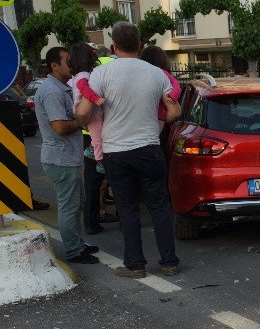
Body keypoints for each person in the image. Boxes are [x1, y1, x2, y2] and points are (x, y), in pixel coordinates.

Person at [76, 21, 181, 279]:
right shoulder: (156, 74)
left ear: (113, 45)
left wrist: (82, 117)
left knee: (127, 207)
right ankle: (169, 261)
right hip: (149, 147)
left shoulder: (102, 74)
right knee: (159, 205)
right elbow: (174, 111)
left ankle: (135, 265)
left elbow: (84, 113)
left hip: (116, 151)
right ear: (140, 45)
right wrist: (154, 121)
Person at [35, 46, 99, 264]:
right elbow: (60, 127)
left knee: (76, 203)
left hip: (67, 157)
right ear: (54, 65)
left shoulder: (61, 87)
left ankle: (77, 244)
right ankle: (73, 251)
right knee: (69, 206)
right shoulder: (52, 91)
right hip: (60, 159)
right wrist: (82, 120)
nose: (71, 64)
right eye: (66, 61)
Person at [68, 43, 112, 236]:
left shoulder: (80, 74)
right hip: (98, 129)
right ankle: (92, 222)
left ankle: (92, 220)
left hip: (87, 133)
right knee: (100, 178)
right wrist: (96, 99)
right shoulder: (92, 73)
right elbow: (85, 96)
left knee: (92, 182)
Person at [138, 46, 182, 133]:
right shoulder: (161, 73)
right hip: (157, 118)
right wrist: (172, 96)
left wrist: (171, 96)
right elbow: (176, 84)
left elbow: (175, 84)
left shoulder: (144, 74)